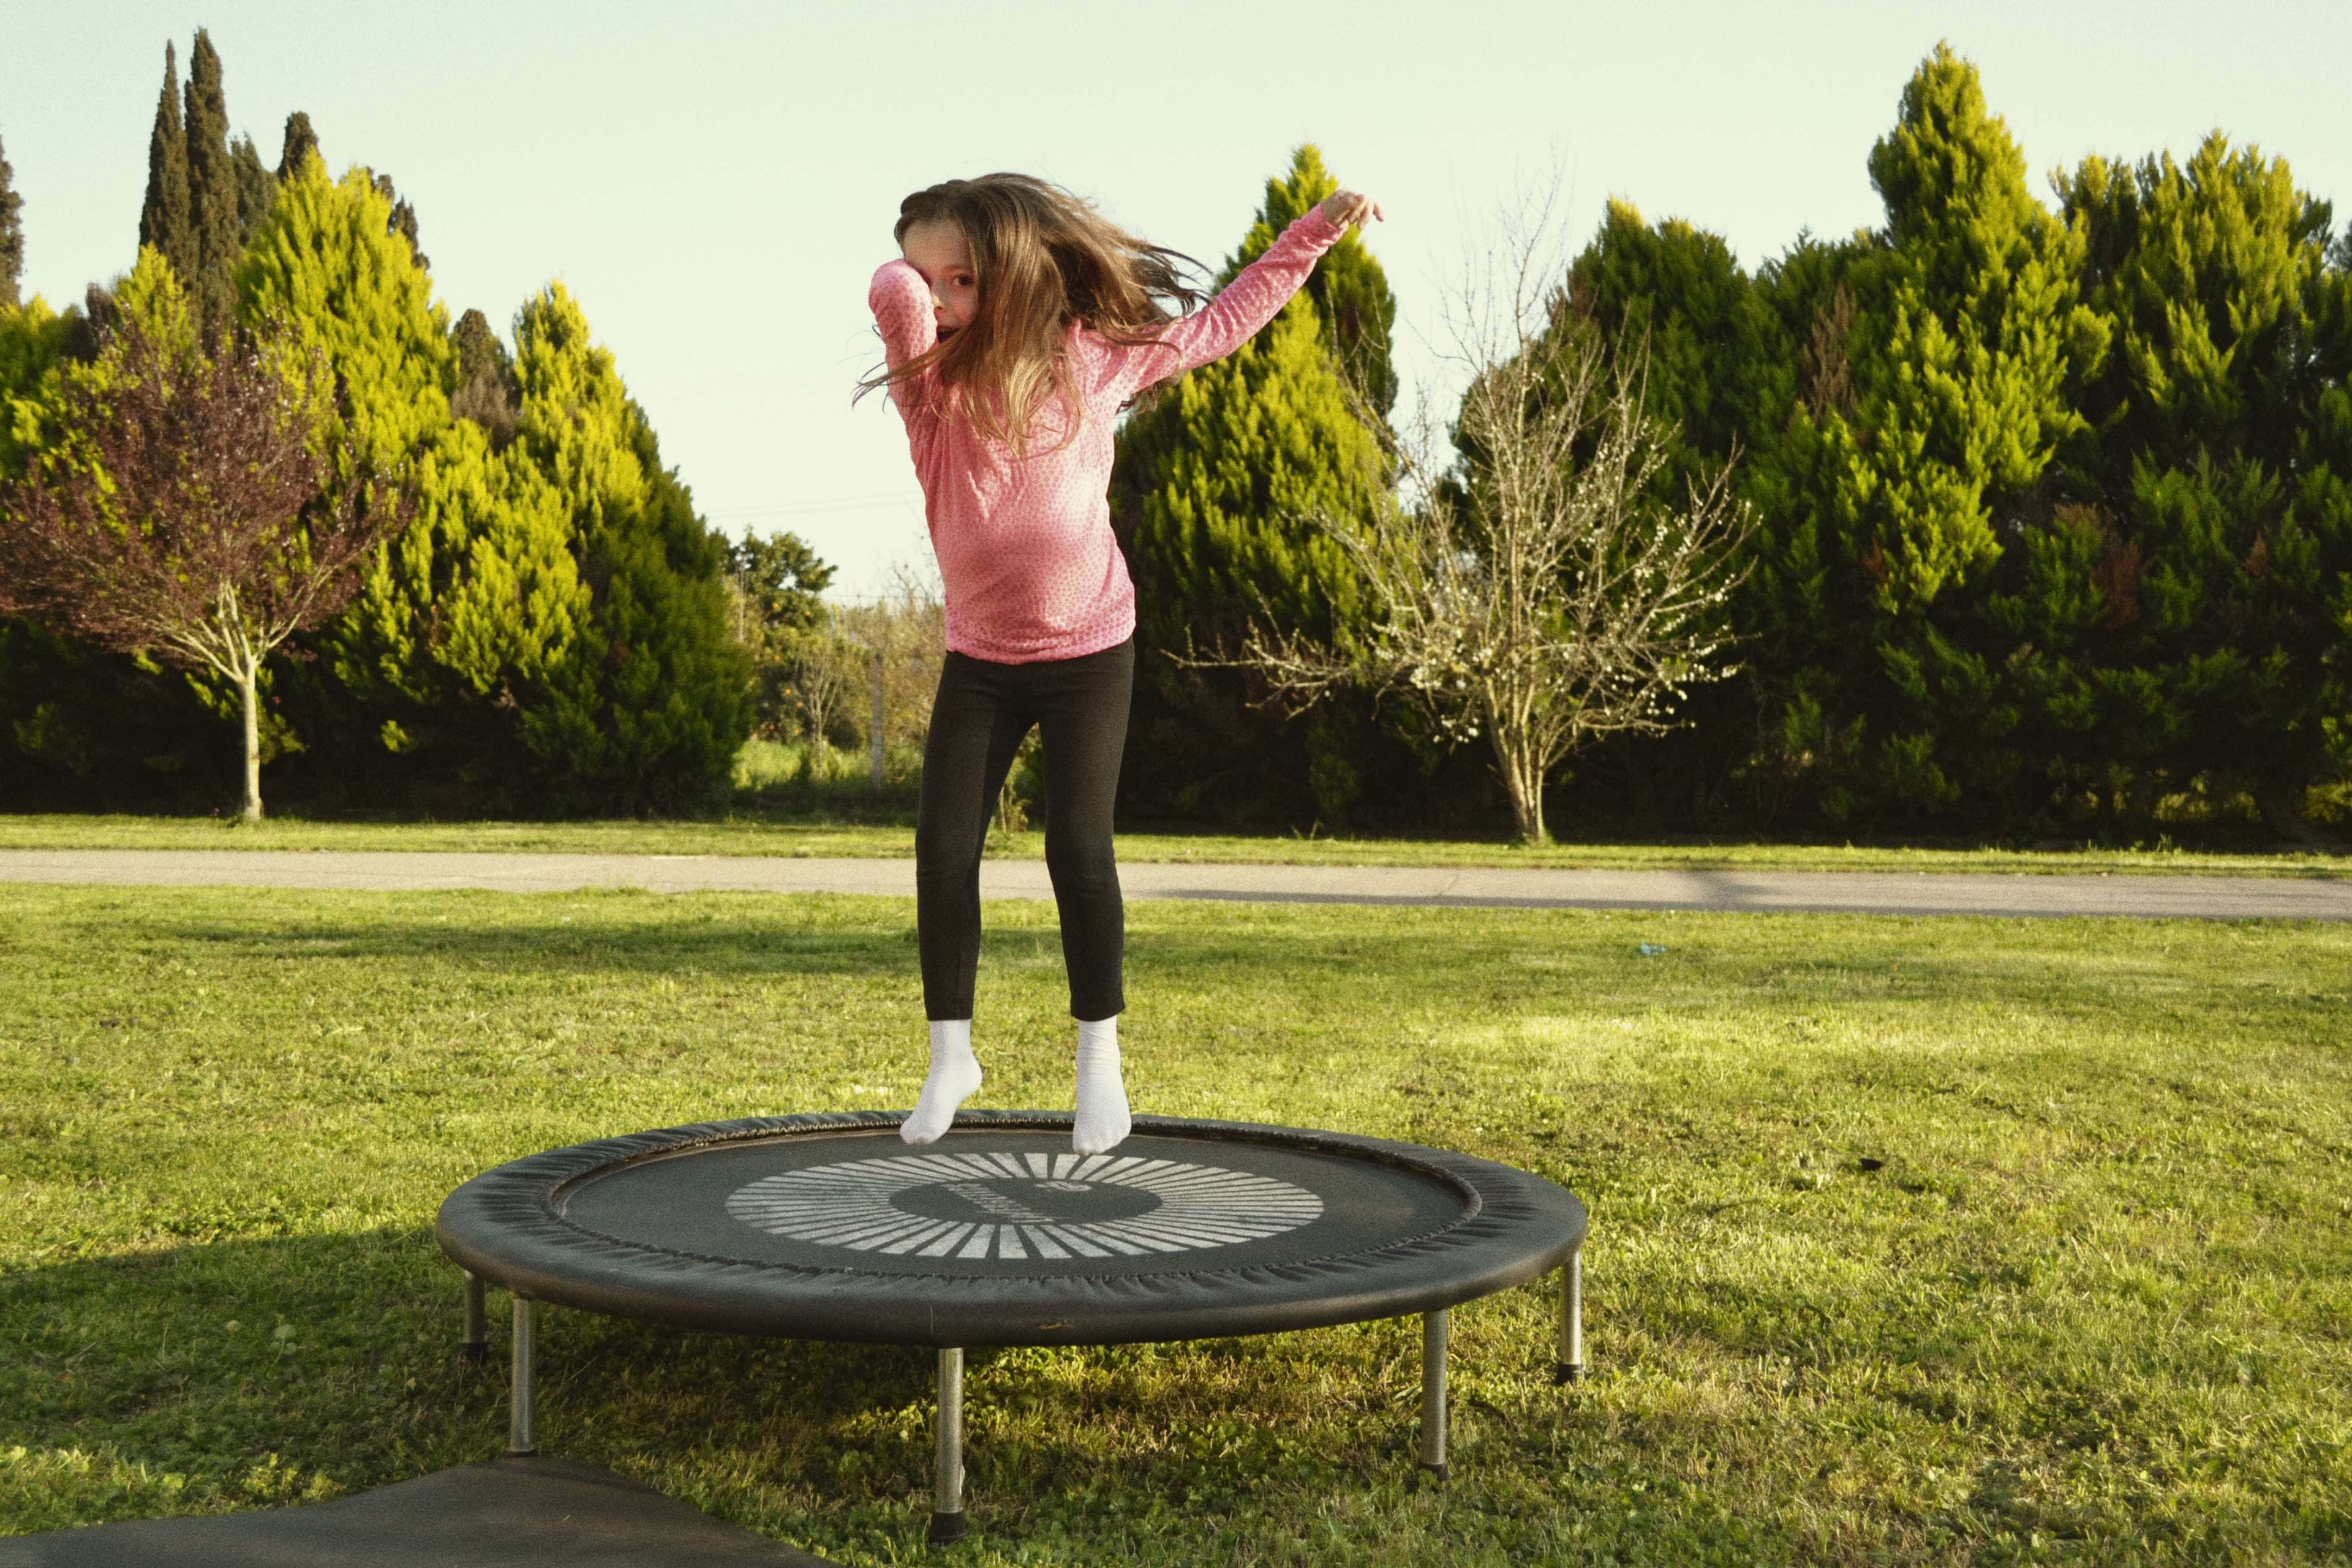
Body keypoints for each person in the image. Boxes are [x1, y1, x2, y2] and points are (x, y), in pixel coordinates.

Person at [861, 172, 1382, 1153]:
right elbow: (892, 294)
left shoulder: (1095, 362)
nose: (935, 302)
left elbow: (1225, 320)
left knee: (1076, 846)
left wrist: (1314, 233)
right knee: (942, 849)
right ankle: (950, 1057)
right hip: (981, 656)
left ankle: (1100, 1062)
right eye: (926, 285)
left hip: (1090, 646)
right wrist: (924, 275)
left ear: (1012, 274)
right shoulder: (926, 387)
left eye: (960, 282)